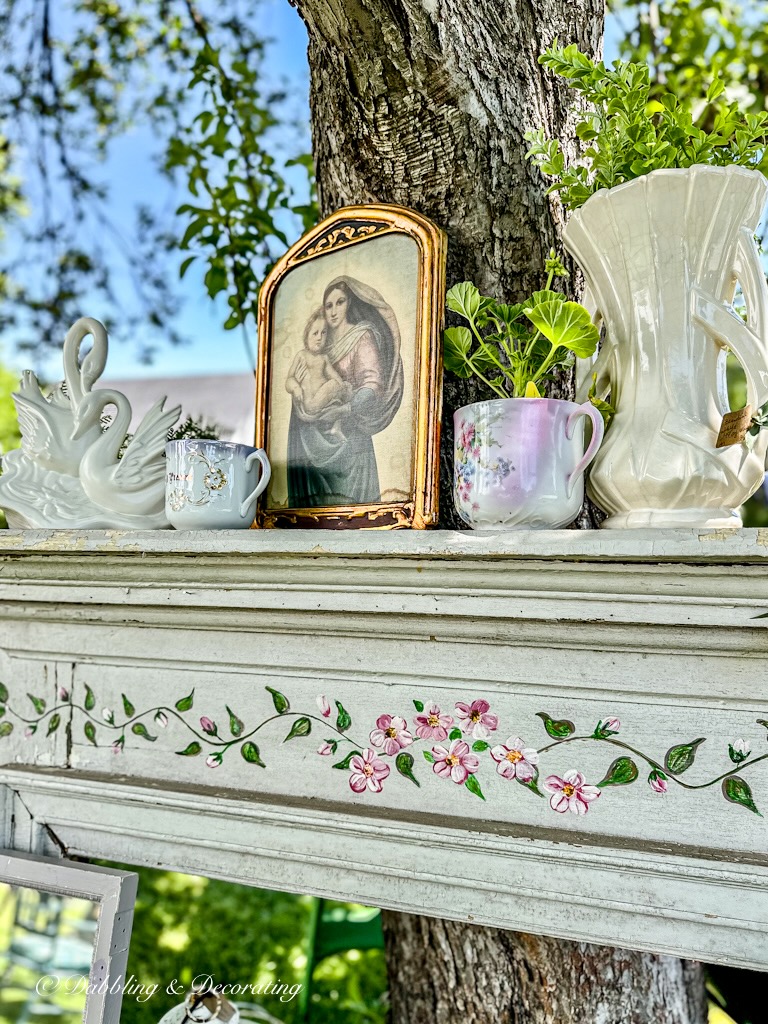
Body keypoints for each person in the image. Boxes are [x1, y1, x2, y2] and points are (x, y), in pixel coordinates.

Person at [286, 276, 404, 507]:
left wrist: (344, 410)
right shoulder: (321, 342)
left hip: (350, 441)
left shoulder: (361, 336)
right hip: (312, 443)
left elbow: (372, 385)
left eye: (339, 302)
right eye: (328, 305)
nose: (333, 312)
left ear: (349, 303)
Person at [285, 309, 352, 440]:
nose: (319, 338)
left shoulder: (323, 358)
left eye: (323, 333)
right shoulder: (302, 355)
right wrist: (296, 388)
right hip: (310, 403)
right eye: (315, 333)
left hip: (322, 401)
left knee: (343, 390)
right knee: (339, 386)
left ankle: (336, 427)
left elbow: (334, 375)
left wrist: (343, 387)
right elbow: (289, 379)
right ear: (306, 335)